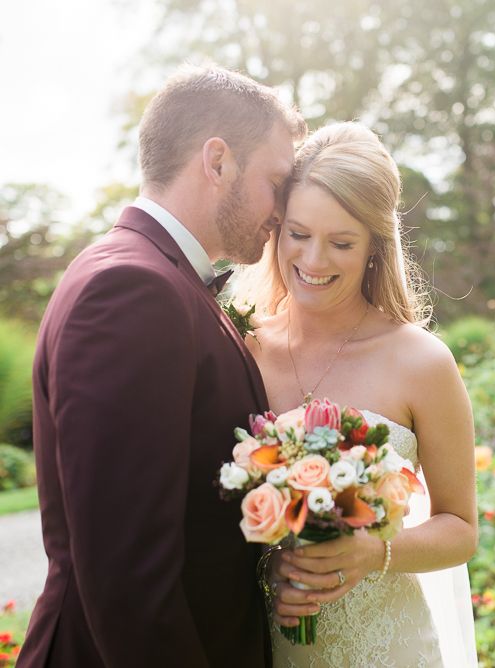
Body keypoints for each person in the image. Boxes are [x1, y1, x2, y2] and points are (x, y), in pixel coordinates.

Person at [18, 64, 306, 668]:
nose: (283, 209)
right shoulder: (132, 290)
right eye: (276, 181)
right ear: (218, 161)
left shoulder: (157, 276)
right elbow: (129, 580)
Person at [240, 122, 479, 667]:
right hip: (263, 644)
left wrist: (375, 551)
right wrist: (269, 560)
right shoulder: (243, 346)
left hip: (386, 648)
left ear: (375, 245)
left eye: (341, 242)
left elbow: (460, 530)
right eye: (298, 233)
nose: (314, 260)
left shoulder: (421, 363)